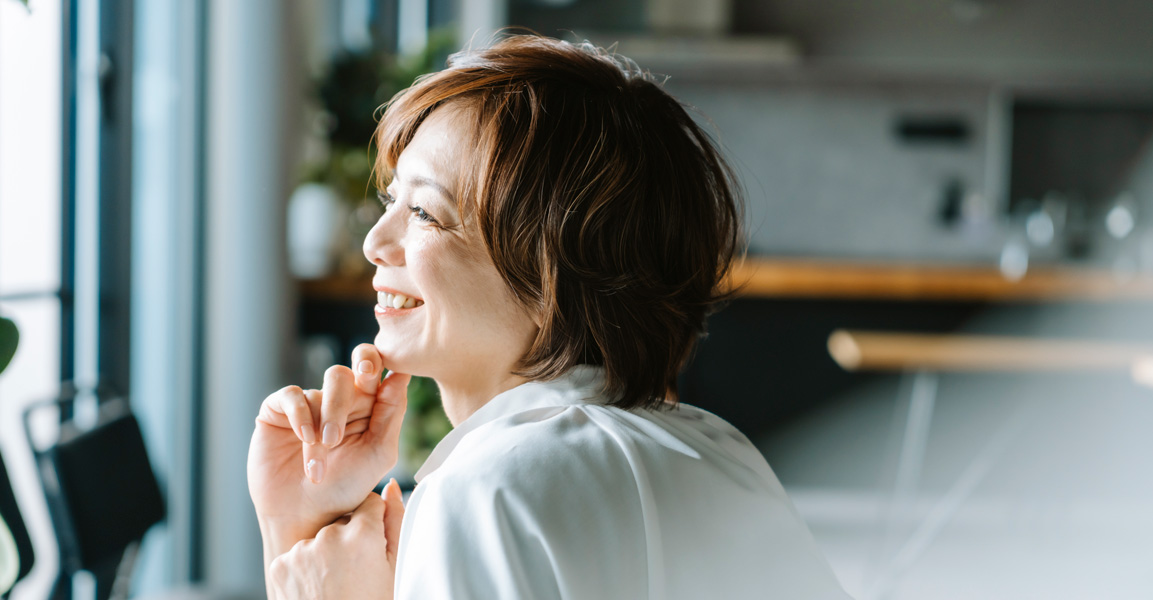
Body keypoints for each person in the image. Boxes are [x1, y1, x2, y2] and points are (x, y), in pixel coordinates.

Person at [248, 34, 851, 599]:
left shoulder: (484, 495)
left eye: (426, 213)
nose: (376, 242)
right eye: (391, 201)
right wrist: (299, 523)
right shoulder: (720, 452)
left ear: (554, 275)